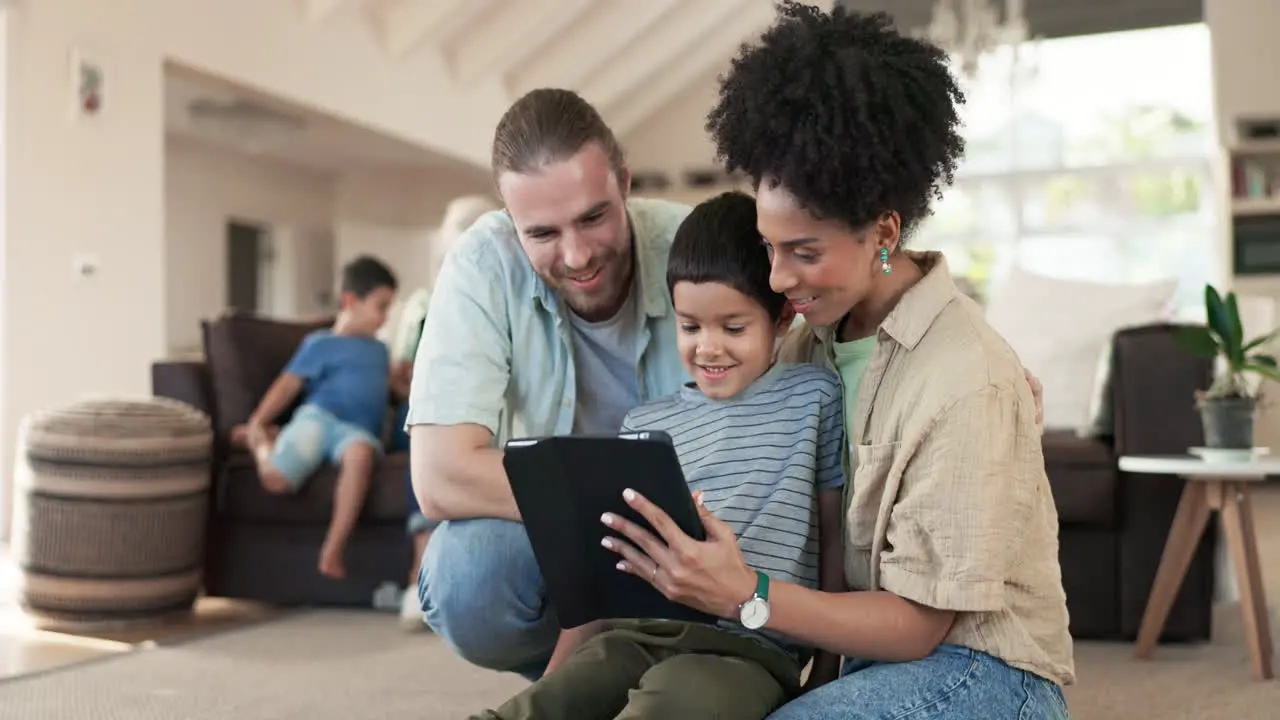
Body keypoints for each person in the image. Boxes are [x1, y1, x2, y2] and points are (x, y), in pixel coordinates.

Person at [596, 4, 1074, 719]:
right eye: (769, 248)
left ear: (883, 232)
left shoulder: (966, 379)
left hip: (984, 672)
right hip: (855, 661)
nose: (780, 280)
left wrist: (746, 593)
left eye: (805, 252)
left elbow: (919, 627)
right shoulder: (803, 336)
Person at [471, 190, 846, 720]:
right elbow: (608, 575)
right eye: (690, 326)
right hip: (634, 637)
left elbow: (833, 543)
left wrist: (826, 676)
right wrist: (556, 682)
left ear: (782, 318)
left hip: (748, 652)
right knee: (536, 708)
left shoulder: (814, 399)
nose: (708, 348)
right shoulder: (645, 424)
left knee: (667, 703)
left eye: (733, 328)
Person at [405, 87, 693, 679]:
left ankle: (617, 672)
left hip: (694, 536)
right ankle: (587, 674)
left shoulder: (693, 246)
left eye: (594, 217)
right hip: (589, 537)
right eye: (542, 233)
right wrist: (622, 517)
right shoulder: (482, 264)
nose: (578, 254)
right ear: (512, 223)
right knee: (467, 577)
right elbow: (439, 478)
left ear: (625, 183)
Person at [239, 255, 398, 580]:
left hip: (354, 431)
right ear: (351, 301)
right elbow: (287, 385)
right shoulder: (321, 344)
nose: (384, 318)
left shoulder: (380, 351)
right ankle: (260, 441)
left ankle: (333, 548)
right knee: (276, 480)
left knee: (361, 455)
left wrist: (404, 381)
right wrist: (258, 419)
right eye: (380, 307)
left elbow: (386, 389)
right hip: (318, 419)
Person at [387, 194, 500, 630]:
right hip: (426, 409)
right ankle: (419, 572)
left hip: (485, 411)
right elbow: (398, 377)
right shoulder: (421, 304)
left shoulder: (503, 298)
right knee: (428, 434)